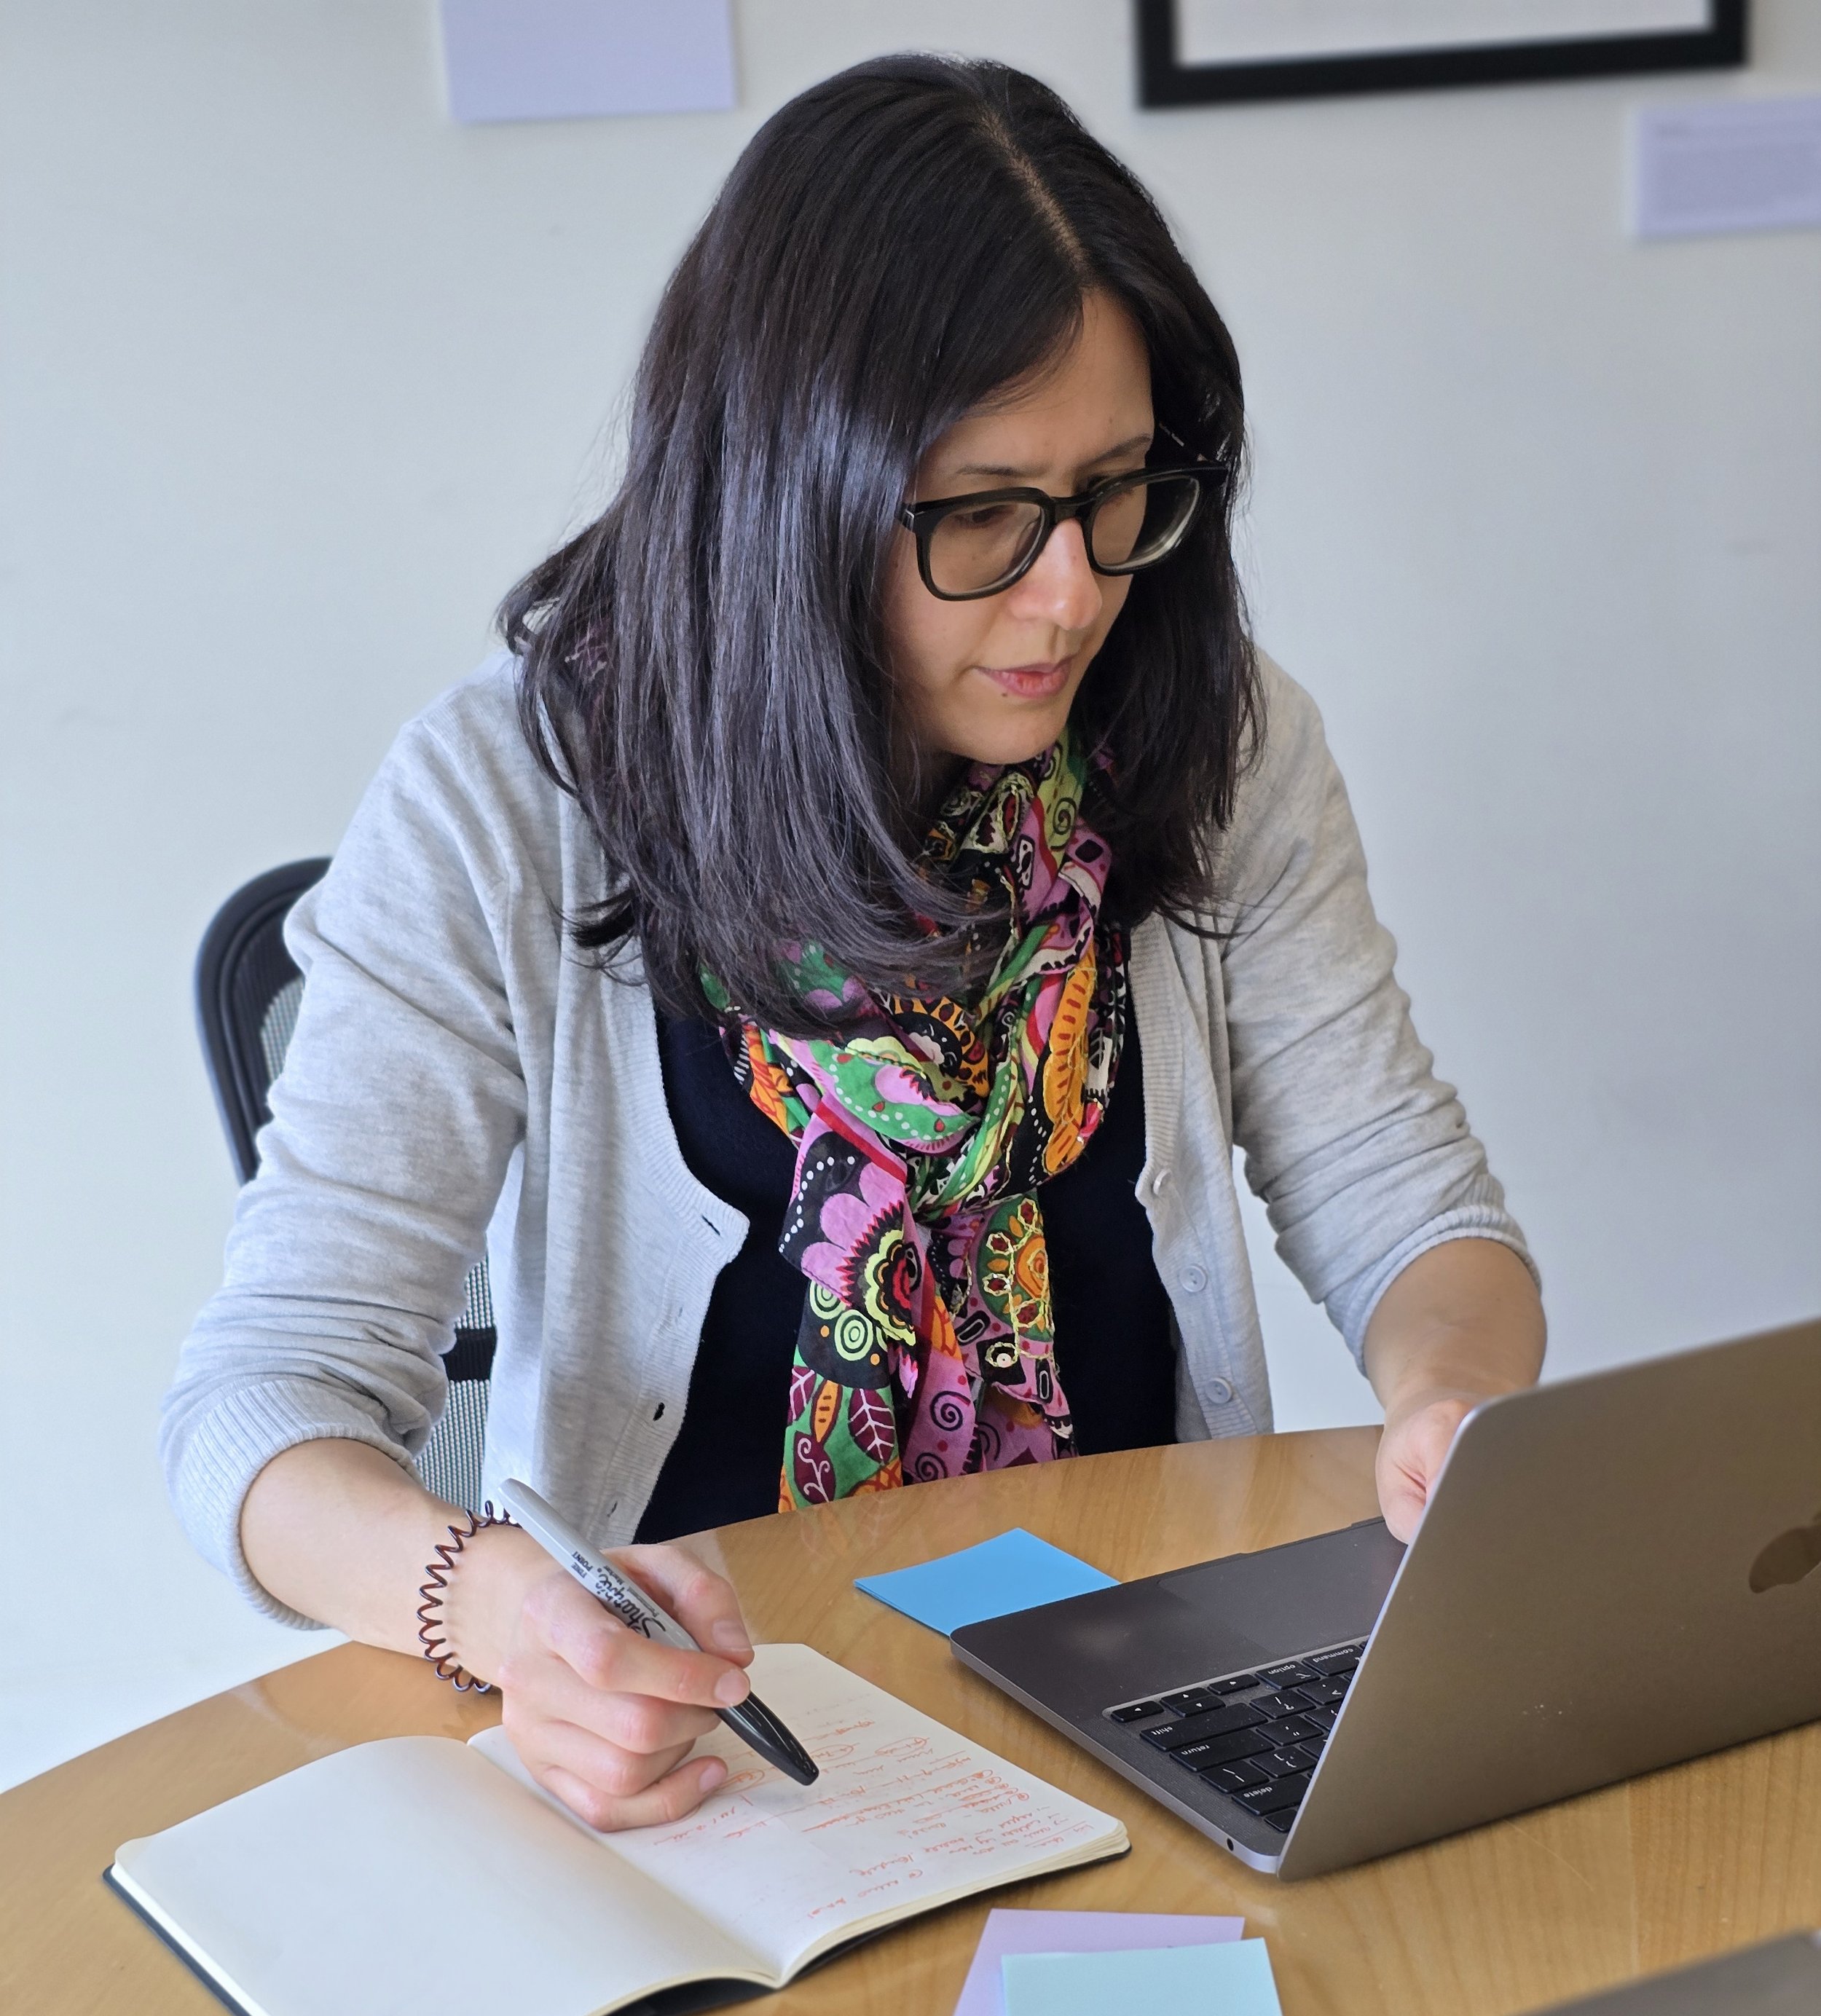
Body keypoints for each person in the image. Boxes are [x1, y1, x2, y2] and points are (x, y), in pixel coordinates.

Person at [163, 55, 1543, 1833]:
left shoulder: (1211, 733)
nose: (1073, 592)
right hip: (708, 1738)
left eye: (1118, 489)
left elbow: (1409, 1202)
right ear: (785, 493)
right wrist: (493, 1606)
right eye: (979, 513)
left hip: (1142, 1679)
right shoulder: (505, 796)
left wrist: (1449, 1405)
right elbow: (259, 1405)